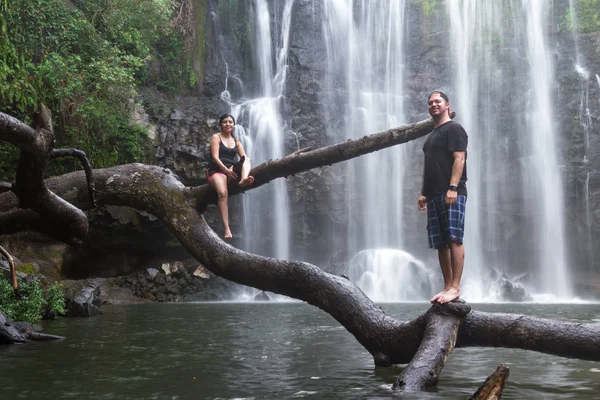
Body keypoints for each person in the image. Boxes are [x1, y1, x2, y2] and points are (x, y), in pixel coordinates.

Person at [417, 91, 468, 304]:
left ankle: (455, 287)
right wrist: (424, 193)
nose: (433, 105)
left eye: (437, 101)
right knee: (440, 243)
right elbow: (430, 166)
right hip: (435, 194)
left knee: (454, 238)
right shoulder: (432, 135)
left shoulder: (454, 128)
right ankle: (447, 286)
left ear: (448, 105)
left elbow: (459, 159)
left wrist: (453, 187)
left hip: (452, 192)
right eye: (430, 103)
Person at [206, 114, 254, 239]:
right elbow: (215, 158)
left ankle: (243, 179)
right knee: (223, 193)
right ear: (221, 124)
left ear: (233, 124)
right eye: (225, 122)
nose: (228, 124)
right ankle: (227, 229)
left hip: (232, 169)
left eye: (230, 122)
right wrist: (226, 171)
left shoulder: (237, 141)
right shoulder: (216, 137)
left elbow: (244, 157)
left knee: (247, 159)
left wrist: (234, 169)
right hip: (217, 170)